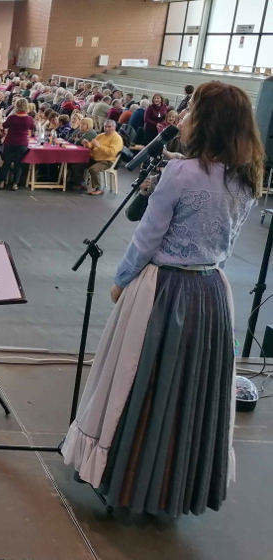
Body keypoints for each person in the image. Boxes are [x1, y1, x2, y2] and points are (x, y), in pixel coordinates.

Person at [61, 81, 261, 517]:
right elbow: (222, 241)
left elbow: (147, 237)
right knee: (190, 391)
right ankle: (174, 483)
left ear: (203, 120)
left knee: (139, 379)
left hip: (164, 291)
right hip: (211, 292)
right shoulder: (247, 178)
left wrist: (121, 280)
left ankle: (126, 477)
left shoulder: (182, 173)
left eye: (190, 110)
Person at [0, 97, 33, 190]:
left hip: (10, 142)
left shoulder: (12, 118)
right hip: (22, 144)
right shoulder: (29, 119)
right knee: (19, 164)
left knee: (6, 163)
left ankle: (2, 182)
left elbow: (4, 126)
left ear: (17, 106)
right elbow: (33, 128)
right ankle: (15, 184)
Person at [82, 119, 123, 195]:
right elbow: (92, 144)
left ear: (114, 127)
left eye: (109, 127)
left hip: (107, 161)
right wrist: (87, 144)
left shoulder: (117, 138)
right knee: (80, 162)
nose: (107, 128)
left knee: (93, 169)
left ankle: (99, 188)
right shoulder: (101, 135)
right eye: (105, 126)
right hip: (95, 158)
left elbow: (112, 152)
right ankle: (80, 183)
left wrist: (99, 146)